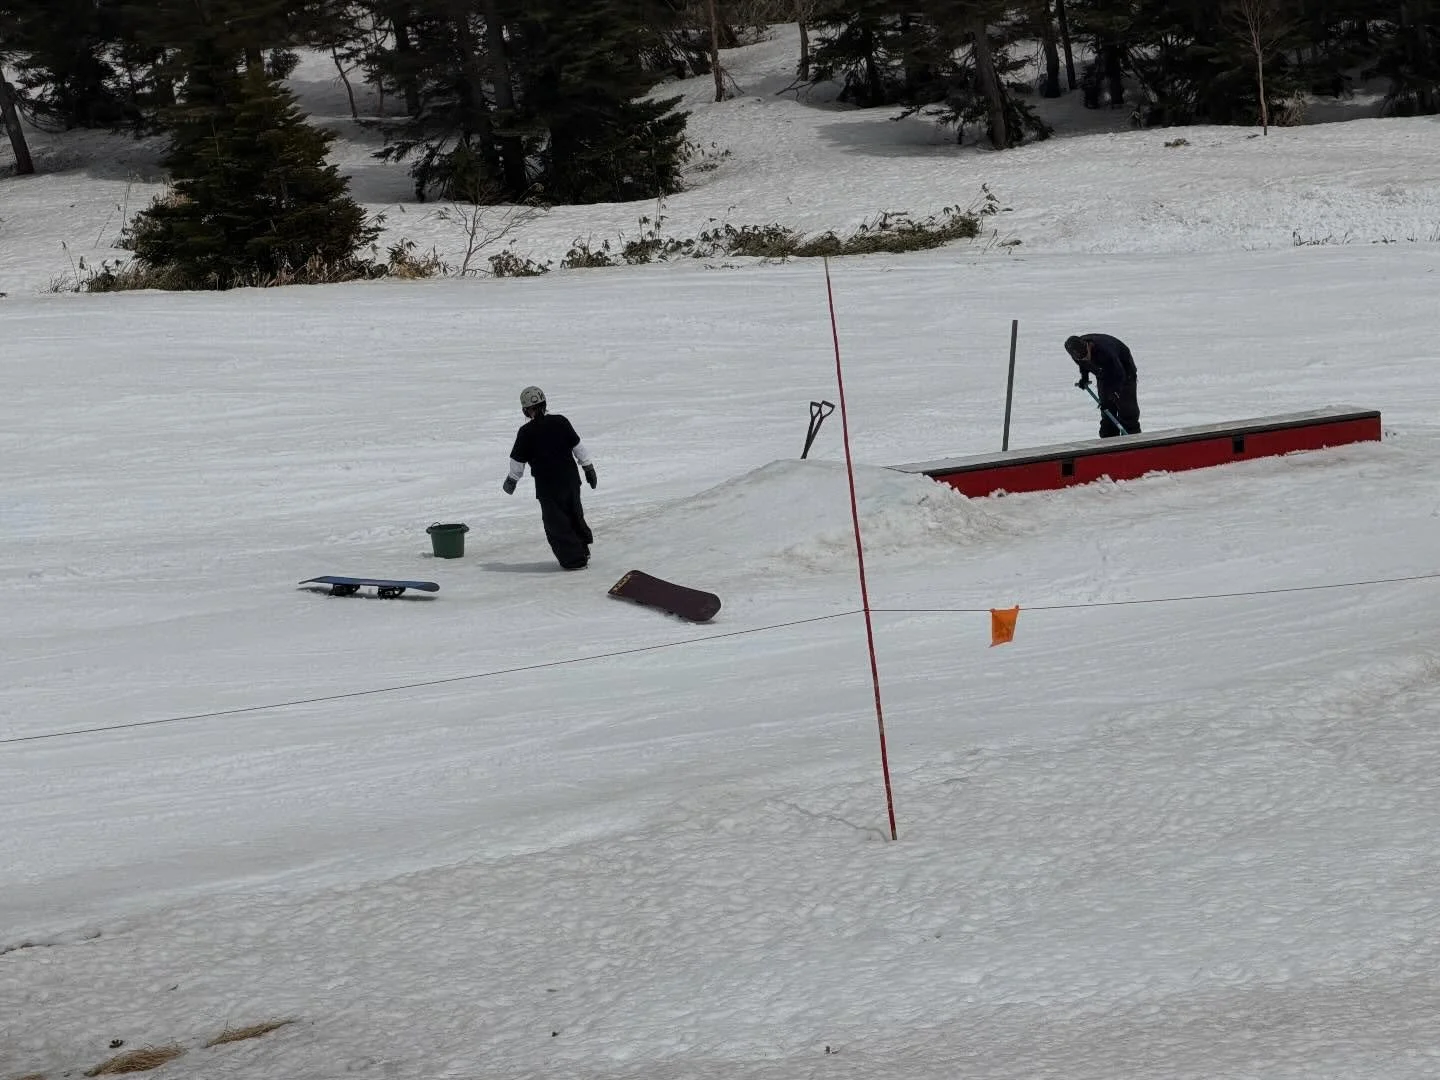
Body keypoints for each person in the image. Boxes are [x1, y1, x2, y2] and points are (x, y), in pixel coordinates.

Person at [502, 386, 597, 570]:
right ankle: (582, 550)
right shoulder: (561, 421)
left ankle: (574, 560)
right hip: (570, 481)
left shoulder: (526, 432)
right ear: (544, 404)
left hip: (548, 486)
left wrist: (512, 480)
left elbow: (517, 461)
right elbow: (578, 447)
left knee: (556, 522)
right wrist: (588, 468)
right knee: (574, 513)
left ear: (526, 410)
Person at [1064, 333, 1141, 438]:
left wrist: (1116, 392)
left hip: (1124, 371)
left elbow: (1120, 374)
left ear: (1088, 345)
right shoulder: (1076, 353)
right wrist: (1084, 378)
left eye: (1087, 356)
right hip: (1103, 373)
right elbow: (1083, 364)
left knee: (1127, 410)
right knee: (1107, 410)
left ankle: (1133, 438)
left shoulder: (1105, 351)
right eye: (1082, 358)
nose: (1086, 359)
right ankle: (1109, 439)